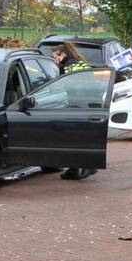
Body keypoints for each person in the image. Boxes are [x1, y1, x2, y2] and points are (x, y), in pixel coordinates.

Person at [51, 42, 97, 180]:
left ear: (62, 54)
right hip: (90, 103)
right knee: (78, 136)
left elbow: (69, 85)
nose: (54, 60)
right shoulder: (79, 62)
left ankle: (86, 165)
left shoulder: (68, 65)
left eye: (55, 57)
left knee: (75, 137)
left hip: (79, 104)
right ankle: (75, 168)